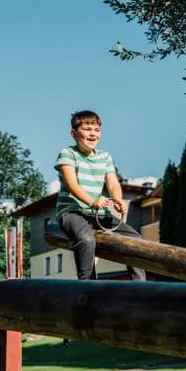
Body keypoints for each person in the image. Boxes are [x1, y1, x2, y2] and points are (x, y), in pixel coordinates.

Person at [54, 110, 146, 281]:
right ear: (74, 133)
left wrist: (117, 199)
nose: (93, 134)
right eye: (88, 129)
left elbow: (112, 183)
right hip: (73, 211)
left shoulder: (104, 157)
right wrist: (92, 200)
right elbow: (71, 184)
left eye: (97, 130)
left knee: (135, 239)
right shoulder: (68, 153)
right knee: (87, 240)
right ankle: (87, 284)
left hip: (97, 214)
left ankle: (139, 284)